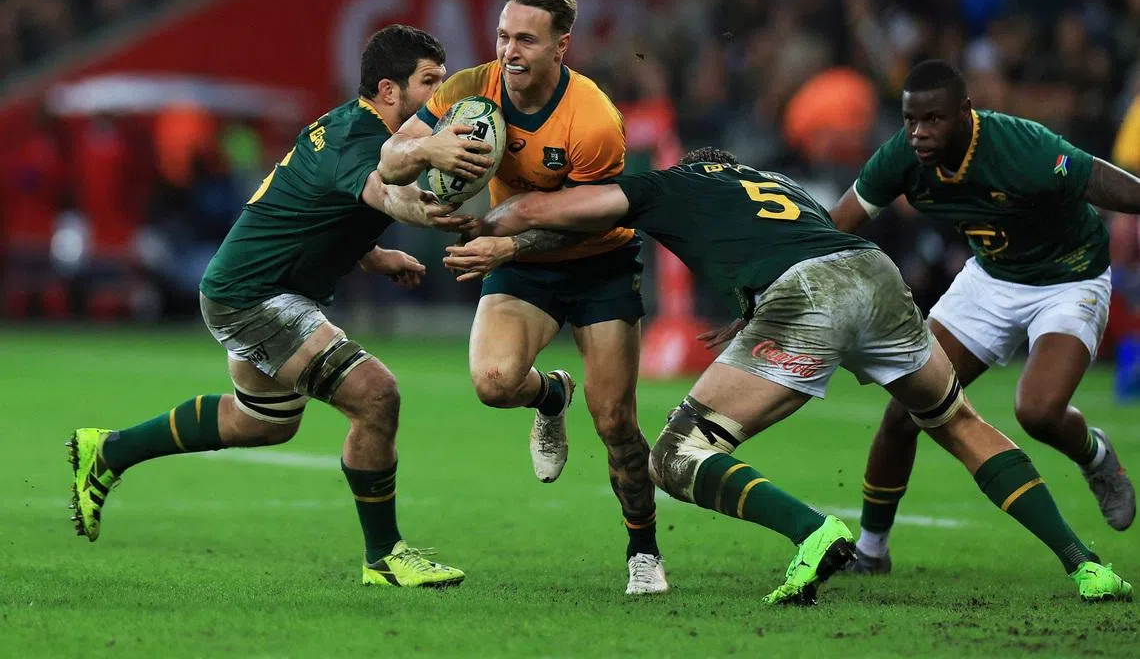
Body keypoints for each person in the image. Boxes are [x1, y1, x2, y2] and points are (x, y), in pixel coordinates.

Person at [467, 147, 1133, 604]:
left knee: (676, 455)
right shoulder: (778, 185)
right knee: (957, 422)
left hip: (808, 298)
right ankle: (1086, 564)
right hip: (874, 276)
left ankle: (812, 531)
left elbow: (540, 212)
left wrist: (486, 228)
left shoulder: (669, 184)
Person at [67, 24, 486, 588]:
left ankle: (109, 451)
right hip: (254, 296)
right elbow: (383, 191)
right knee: (376, 395)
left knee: (259, 423)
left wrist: (373, 253)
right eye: (429, 83)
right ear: (390, 90)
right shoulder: (360, 139)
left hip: (247, 287)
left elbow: (319, 209)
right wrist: (430, 206)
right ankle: (385, 557)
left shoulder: (354, 129)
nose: (439, 99)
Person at [382, 0, 666, 595]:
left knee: (615, 419)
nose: (509, 51)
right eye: (503, 35)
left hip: (597, 261)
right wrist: (430, 147)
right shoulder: (469, 90)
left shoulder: (593, 121)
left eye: (526, 40)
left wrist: (506, 243)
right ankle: (548, 398)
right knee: (492, 382)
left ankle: (642, 548)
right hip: (519, 260)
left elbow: (589, 220)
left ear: (561, 46)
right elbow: (389, 160)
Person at [826, 60, 1137, 574]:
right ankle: (872, 551)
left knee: (1037, 411)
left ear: (966, 113)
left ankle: (1095, 455)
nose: (920, 133)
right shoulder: (903, 156)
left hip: (1069, 276)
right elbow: (841, 221)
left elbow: (1095, 179)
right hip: (990, 280)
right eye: (911, 121)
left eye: (934, 119)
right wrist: (771, 281)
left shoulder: (1020, 147)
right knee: (905, 410)